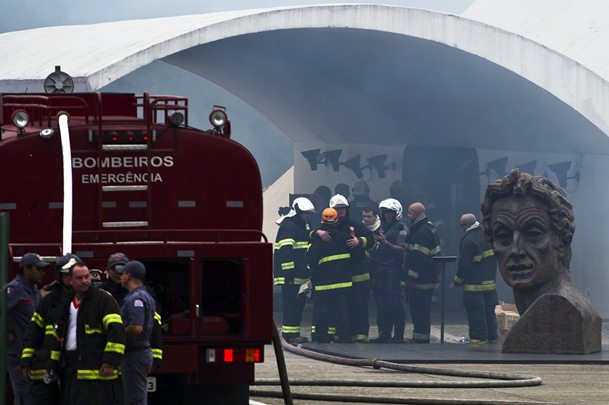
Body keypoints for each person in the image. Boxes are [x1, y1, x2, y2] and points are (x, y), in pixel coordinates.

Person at [481, 169, 601, 353]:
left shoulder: (561, 309)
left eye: (533, 234)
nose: (516, 250)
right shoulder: (565, 307)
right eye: (503, 236)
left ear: (562, 241)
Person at [59, 262, 125, 405]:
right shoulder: (65, 302)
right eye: (79, 278)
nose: (85, 281)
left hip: (97, 368)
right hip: (71, 365)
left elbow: (116, 331)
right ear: (70, 280)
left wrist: (111, 361)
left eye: (87, 276)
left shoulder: (103, 299)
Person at [20, 253, 82, 405]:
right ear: (60, 276)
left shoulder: (94, 300)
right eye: (67, 274)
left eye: (74, 274)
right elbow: (33, 332)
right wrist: (26, 361)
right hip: (48, 368)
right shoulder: (48, 301)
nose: (70, 278)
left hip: (77, 366)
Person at [314, 194, 374, 342]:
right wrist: (316, 232)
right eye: (337, 209)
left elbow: (371, 240)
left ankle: (360, 336)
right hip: (341, 277)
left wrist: (359, 240)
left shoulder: (355, 225)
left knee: (359, 306)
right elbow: (311, 236)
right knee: (341, 307)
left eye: (343, 209)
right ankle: (341, 334)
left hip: (358, 275)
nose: (340, 212)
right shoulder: (325, 227)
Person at [307, 208, 363, 343]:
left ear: (322, 220)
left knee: (323, 311)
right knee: (343, 310)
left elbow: (310, 261)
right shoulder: (345, 238)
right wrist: (358, 241)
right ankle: (344, 336)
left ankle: (322, 337)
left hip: (323, 285)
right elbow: (360, 255)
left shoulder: (318, 241)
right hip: (343, 283)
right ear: (337, 220)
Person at [450, 213, 498, 345]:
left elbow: (464, 264)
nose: (461, 229)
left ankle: (478, 345)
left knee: (476, 317)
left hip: (474, 288)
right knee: (490, 315)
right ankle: (493, 342)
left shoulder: (468, 240)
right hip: (491, 286)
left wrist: (456, 281)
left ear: (466, 225)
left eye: (461, 226)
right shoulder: (488, 237)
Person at [6, 253, 48, 405]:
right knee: (24, 395)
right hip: (18, 354)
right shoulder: (14, 289)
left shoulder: (34, 290)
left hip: (33, 354)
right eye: (38, 269)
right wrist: (6, 332)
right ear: (26, 270)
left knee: (33, 395)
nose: (42, 272)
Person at [274, 197, 315, 344]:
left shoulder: (303, 226)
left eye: (309, 213)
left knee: (298, 307)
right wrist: (289, 274)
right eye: (305, 213)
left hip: (300, 277)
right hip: (291, 277)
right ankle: (288, 336)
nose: (308, 216)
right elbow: (285, 251)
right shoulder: (290, 227)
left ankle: (293, 333)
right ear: (297, 212)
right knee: (291, 306)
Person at [116, 261, 156, 404]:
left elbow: (136, 327)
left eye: (122, 273)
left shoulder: (135, 299)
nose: (120, 276)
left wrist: (116, 334)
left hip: (135, 355)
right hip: (138, 354)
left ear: (128, 276)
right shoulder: (144, 295)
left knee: (135, 399)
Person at [369, 199, 408, 343]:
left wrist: (386, 243)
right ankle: (384, 334)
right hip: (380, 271)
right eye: (385, 213)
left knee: (396, 303)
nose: (387, 215)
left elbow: (402, 250)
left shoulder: (401, 228)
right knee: (381, 303)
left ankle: (398, 336)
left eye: (390, 213)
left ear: (396, 213)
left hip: (394, 271)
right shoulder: (382, 227)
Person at [403, 202, 441, 343]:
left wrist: (411, 278)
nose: (408, 216)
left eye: (410, 213)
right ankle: (419, 337)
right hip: (427, 277)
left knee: (419, 311)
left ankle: (420, 340)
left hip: (421, 280)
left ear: (417, 213)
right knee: (421, 310)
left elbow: (418, 258)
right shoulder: (428, 228)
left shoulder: (422, 232)